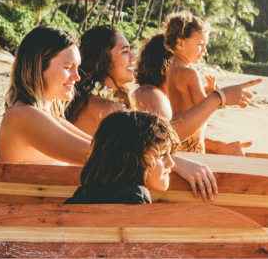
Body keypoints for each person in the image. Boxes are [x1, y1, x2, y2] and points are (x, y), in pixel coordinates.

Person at [67, 25, 256, 200]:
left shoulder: (98, 101)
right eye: (125, 52)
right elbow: (163, 139)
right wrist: (217, 98)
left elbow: (149, 142)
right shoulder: (105, 108)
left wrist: (217, 146)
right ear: (102, 58)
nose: (133, 57)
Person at [133, 33, 262, 156]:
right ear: (168, 63)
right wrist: (217, 98)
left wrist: (222, 148)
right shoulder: (152, 95)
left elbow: (184, 136)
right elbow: (168, 139)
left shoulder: (159, 94)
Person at [161, 11, 257, 154]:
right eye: (200, 44)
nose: (205, 50)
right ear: (180, 43)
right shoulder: (190, 73)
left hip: (179, 141)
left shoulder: (172, 71)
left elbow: (186, 102)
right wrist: (216, 95)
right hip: (192, 143)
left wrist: (206, 91)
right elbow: (205, 107)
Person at [0, 26, 92, 165]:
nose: (77, 77)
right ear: (38, 67)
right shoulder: (24, 115)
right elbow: (98, 157)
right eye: (67, 67)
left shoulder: (47, 115)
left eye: (77, 67)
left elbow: (99, 147)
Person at [64, 111, 178, 205]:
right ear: (131, 158)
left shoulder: (79, 196)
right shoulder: (136, 197)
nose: (171, 163)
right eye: (162, 154)